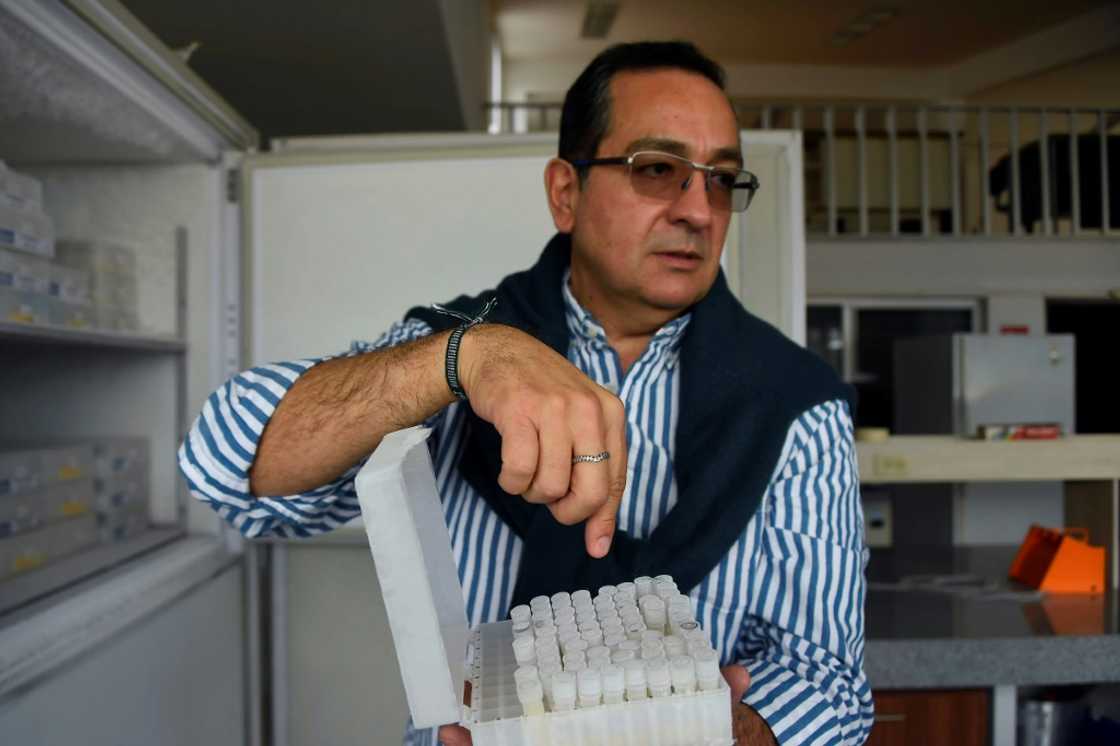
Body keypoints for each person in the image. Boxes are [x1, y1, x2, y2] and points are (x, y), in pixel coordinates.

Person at [180, 41, 874, 745]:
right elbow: (223, 469)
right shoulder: (448, 348)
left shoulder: (800, 403)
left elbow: (829, 687)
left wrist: (725, 732)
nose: (698, 210)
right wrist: (465, 357)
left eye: (721, 179)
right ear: (565, 194)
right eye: (657, 169)